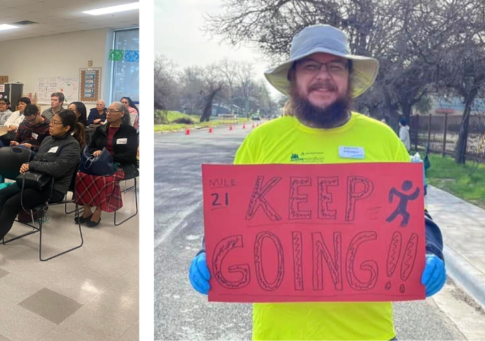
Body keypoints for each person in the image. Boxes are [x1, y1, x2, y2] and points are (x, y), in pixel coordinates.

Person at [187, 25, 445, 341]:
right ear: (294, 77)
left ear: (348, 77)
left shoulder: (383, 139)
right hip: (280, 333)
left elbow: (416, 215)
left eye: (335, 66)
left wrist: (431, 250)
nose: (323, 76)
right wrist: (208, 251)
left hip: (369, 333)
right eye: (311, 66)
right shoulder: (261, 142)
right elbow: (230, 219)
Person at [0, 109, 85, 258]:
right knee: (1, 195)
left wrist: (33, 166)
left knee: (12, 204)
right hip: (33, 181)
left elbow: (58, 169)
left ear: (66, 128)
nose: (51, 125)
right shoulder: (48, 140)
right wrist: (28, 165)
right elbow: (37, 160)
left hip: (51, 188)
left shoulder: (72, 146)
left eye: (55, 123)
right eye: (52, 122)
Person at [75, 102, 140, 227]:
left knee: (106, 179)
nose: (108, 113)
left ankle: (98, 211)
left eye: (112, 111)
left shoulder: (129, 131)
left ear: (122, 114)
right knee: (80, 175)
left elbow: (130, 154)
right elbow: (91, 147)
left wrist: (108, 157)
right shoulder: (101, 129)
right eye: (108, 111)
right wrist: (95, 152)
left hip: (121, 164)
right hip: (99, 163)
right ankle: (87, 209)